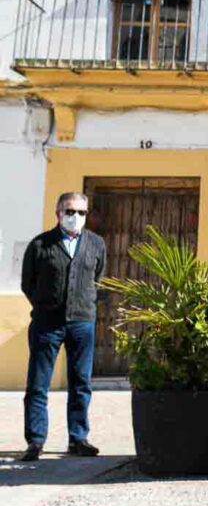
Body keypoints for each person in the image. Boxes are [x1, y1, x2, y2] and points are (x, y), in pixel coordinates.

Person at [20, 192, 106, 461]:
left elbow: (99, 279)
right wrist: (46, 305)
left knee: (81, 383)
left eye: (81, 212)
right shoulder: (40, 245)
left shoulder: (96, 244)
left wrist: (85, 305)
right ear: (58, 213)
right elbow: (27, 283)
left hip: (82, 323)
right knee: (38, 384)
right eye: (70, 212)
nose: (75, 217)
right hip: (47, 324)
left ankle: (78, 438)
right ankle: (35, 441)